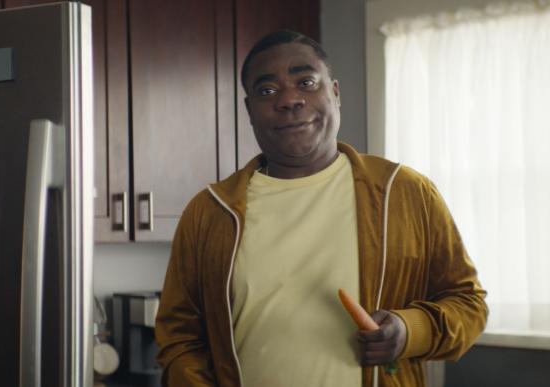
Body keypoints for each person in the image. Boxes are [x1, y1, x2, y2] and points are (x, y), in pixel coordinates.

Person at [154, 30, 487, 387]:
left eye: (307, 82)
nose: (289, 99)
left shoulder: (405, 192)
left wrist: (410, 330)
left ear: (335, 93)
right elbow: (180, 338)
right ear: (250, 110)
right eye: (268, 90)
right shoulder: (209, 212)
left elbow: (468, 305)